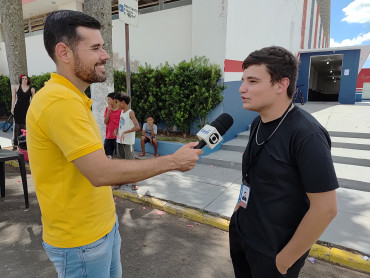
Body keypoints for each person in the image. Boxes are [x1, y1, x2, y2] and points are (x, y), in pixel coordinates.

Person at [26, 10, 203, 278]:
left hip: (101, 230)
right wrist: (173, 161)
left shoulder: (72, 98)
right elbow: (100, 172)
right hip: (81, 242)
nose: (105, 55)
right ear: (64, 52)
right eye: (95, 48)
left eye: (103, 47)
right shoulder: (60, 101)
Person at [229, 46, 338, 278]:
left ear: (281, 84)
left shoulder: (307, 134)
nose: (242, 88)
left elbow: (326, 209)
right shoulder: (258, 123)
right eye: (242, 80)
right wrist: (238, 210)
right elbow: (251, 176)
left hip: (274, 253)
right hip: (243, 235)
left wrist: (284, 261)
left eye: (252, 81)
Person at [114, 93, 140, 190]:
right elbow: (123, 124)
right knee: (120, 161)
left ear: (123, 102)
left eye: (118, 102)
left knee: (130, 162)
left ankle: (134, 182)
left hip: (128, 141)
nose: (116, 104)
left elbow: (137, 127)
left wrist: (126, 131)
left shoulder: (130, 112)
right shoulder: (122, 112)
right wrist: (117, 129)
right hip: (120, 140)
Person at [11, 74, 35, 150]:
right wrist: (12, 108)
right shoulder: (16, 87)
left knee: (26, 127)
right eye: (23, 78)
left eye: (26, 79)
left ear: (28, 80)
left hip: (27, 109)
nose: (24, 80)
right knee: (17, 127)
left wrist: (32, 110)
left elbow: (33, 101)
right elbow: (13, 98)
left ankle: (26, 144)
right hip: (18, 109)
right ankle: (15, 144)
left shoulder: (32, 89)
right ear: (21, 80)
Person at [104, 92, 121, 158]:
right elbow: (105, 122)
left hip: (118, 138)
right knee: (108, 156)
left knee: (118, 156)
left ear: (114, 100)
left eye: (109, 99)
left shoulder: (121, 111)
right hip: (108, 136)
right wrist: (108, 111)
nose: (107, 101)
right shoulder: (107, 109)